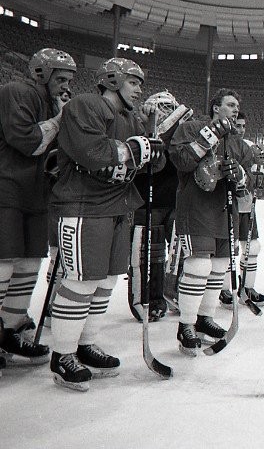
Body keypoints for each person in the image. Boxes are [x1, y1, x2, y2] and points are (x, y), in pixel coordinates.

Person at [49, 57, 165, 391]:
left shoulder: (130, 117)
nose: (140, 89)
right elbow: (92, 152)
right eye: (134, 82)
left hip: (117, 204)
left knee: (107, 281)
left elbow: (145, 164)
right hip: (83, 204)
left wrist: (152, 145)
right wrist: (134, 148)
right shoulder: (86, 105)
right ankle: (62, 355)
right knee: (82, 281)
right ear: (112, 79)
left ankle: (85, 344)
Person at [0, 48, 75, 372]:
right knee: (3, 263)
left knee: (29, 264)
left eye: (69, 80)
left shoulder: (51, 103)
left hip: (35, 193)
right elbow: (27, 141)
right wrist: (60, 121)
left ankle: (9, 331)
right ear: (41, 74)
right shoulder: (17, 92)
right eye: (60, 78)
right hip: (7, 187)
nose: (65, 86)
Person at [168, 88, 252, 356]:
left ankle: (205, 317)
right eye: (230, 104)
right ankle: (186, 325)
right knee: (199, 265)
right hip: (196, 208)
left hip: (226, 210)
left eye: (237, 105)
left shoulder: (238, 141)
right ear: (216, 107)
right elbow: (180, 161)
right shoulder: (192, 127)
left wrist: (239, 175)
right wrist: (207, 139)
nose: (235, 109)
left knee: (218, 268)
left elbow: (251, 179)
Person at [128, 91, 192, 323]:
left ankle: (173, 291)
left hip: (175, 201)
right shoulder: (139, 127)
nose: (168, 110)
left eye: (170, 107)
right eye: (163, 107)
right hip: (147, 201)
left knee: (181, 250)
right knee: (149, 254)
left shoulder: (182, 130)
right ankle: (147, 299)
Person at [219, 112, 264, 308]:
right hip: (228, 204)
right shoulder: (223, 144)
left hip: (247, 205)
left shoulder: (250, 145)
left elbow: (256, 174)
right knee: (229, 248)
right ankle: (225, 288)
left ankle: (248, 286)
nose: (240, 129)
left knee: (252, 247)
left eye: (243, 125)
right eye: (237, 125)